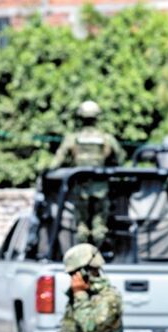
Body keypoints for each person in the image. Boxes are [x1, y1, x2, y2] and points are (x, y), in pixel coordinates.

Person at [50, 100, 125, 247]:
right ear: (97, 117)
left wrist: (45, 171)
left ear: (80, 117)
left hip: (80, 189)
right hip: (101, 189)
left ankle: (83, 261)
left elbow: (57, 161)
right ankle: (95, 260)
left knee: (81, 227)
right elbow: (120, 158)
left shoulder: (72, 138)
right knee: (99, 228)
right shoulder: (106, 138)